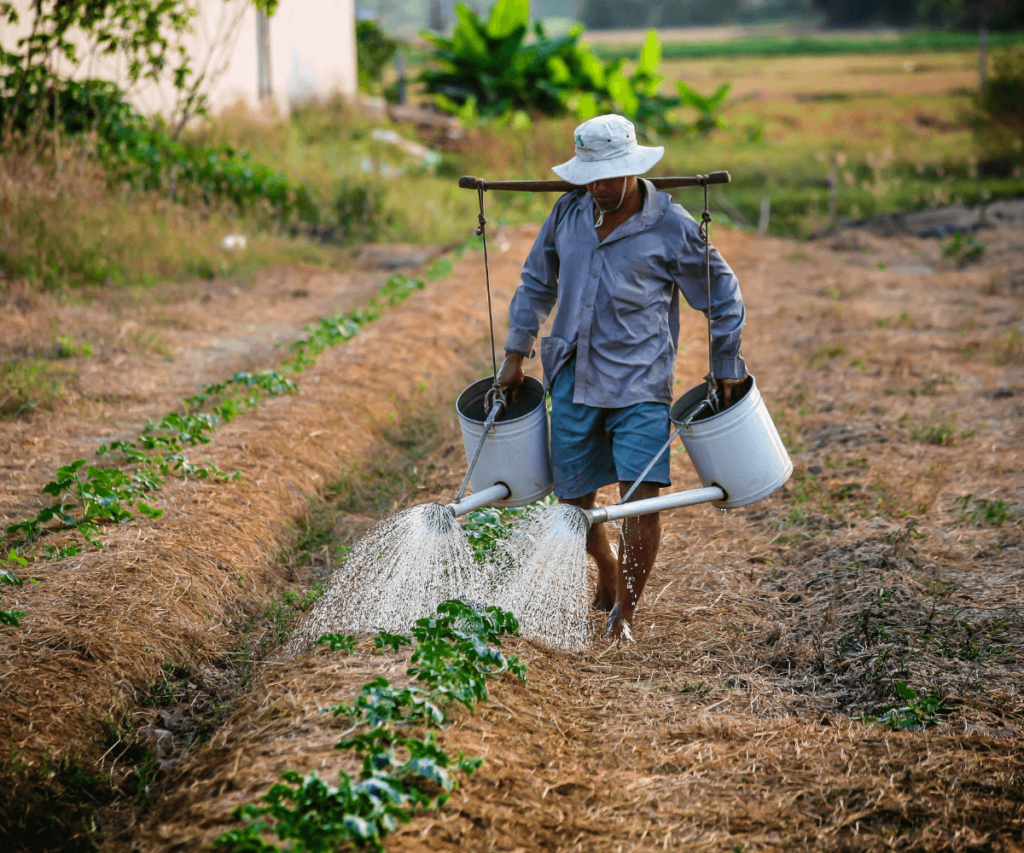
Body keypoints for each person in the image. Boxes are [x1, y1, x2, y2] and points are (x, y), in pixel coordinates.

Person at [497, 114, 748, 640]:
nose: (600, 187)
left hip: (640, 383)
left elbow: (722, 295)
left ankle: (624, 615)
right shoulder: (567, 213)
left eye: (610, 176)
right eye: (591, 176)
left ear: (634, 169)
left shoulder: (671, 226)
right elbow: (536, 282)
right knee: (573, 504)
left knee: (642, 500)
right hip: (572, 376)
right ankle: (606, 569)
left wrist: (725, 365)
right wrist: (515, 352)